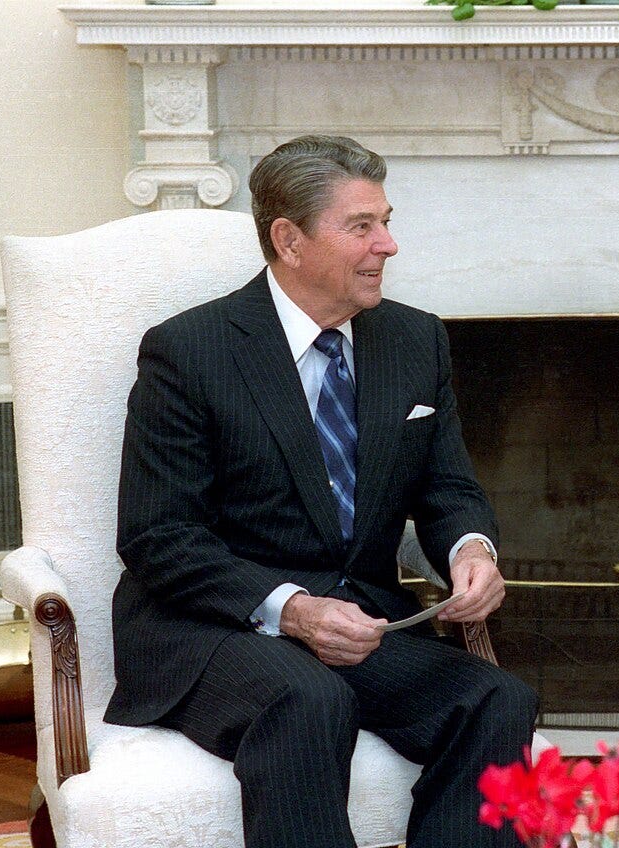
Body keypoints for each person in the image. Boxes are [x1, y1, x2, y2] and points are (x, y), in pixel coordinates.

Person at [105, 134, 537, 848]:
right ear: (289, 240)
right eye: (361, 226)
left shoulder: (415, 340)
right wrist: (296, 610)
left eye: (385, 221)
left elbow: (448, 488)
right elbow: (159, 537)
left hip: (361, 622)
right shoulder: (190, 351)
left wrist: (471, 549)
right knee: (309, 699)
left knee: (497, 698)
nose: (388, 245)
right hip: (216, 627)